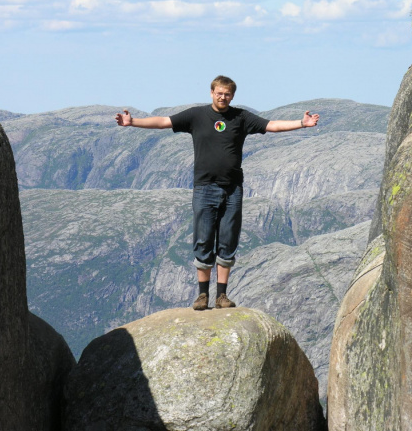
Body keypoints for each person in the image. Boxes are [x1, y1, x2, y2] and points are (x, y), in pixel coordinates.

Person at [115, 75, 319, 310]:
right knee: (203, 240)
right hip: (205, 188)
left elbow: (271, 125)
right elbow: (164, 121)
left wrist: (302, 123)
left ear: (232, 96)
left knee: (227, 241)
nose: (223, 97)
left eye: (228, 94)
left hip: (232, 190)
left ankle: (221, 296)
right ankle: (202, 296)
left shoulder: (240, 117)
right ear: (212, 92)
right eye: (219, 93)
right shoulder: (196, 116)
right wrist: (133, 122)